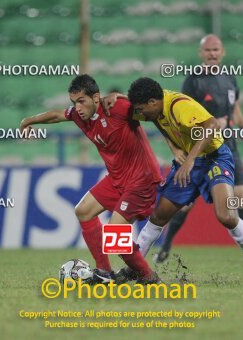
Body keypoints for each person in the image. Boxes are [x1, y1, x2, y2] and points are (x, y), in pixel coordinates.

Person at [153, 34, 243, 265]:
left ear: (223, 52)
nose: (212, 54)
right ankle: (165, 247)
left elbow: (234, 106)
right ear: (201, 54)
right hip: (201, 148)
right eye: (208, 50)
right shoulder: (193, 81)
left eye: (216, 50)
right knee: (185, 203)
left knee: (241, 197)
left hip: (229, 146)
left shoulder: (229, 78)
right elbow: (182, 114)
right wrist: (211, 125)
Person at [122, 76, 243, 285]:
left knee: (226, 216)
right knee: (159, 216)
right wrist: (174, 148)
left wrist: (189, 161)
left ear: (153, 102)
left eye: (142, 109)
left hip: (215, 158)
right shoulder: (153, 108)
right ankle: (133, 268)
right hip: (190, 162)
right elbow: (151, 119)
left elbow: (212, 124)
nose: (140, 114)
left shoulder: (180, 106)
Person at [20, 74, 161, 284]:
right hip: (117, 179)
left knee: (115, 237)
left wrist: (122, 97)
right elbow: (57, 115)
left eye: (81, 101)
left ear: (96, 98)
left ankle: (149, 278)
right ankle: (104, 271)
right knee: (83, 211)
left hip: (141, 179)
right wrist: (28, 121)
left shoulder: (117, 108)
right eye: (73, 102)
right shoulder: (79, 116)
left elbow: (152, 110)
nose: (77, 107)